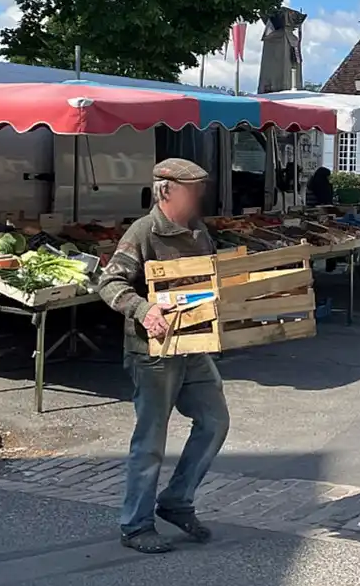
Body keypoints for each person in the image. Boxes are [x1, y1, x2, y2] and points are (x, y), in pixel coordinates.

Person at [95, 158, 230, 555]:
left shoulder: (199, 232)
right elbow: (109, 282)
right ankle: (135, 525)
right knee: (151, 440)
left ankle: (176, 501)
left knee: (214, 420)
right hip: (152, 354)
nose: (198, 196)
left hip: (193, 348)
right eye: (192, 189)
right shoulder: (143, 232)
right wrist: (144, 310)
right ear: (165, 190)